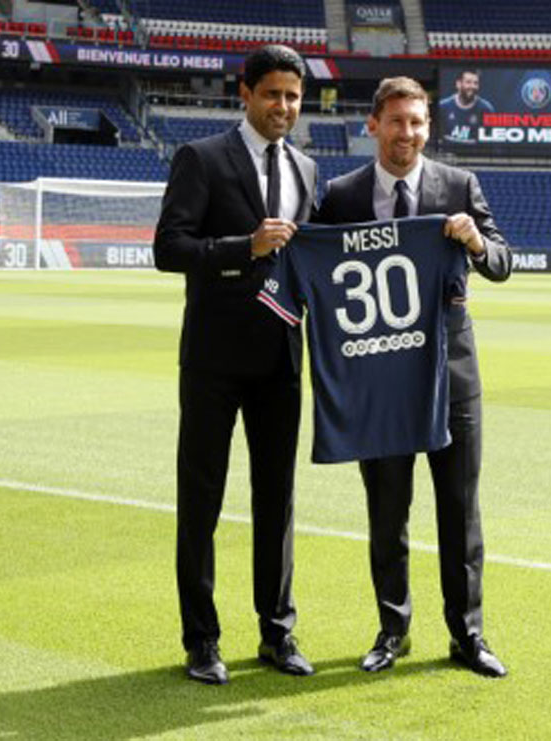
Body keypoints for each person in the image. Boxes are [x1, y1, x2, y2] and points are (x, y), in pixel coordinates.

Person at [316, 76, 511, 678]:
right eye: (397, 121)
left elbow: (503, 262)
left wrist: (476, 241)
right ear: (373, 125)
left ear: (430, 126)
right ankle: (392, 631)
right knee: (387, 511)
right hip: (380, 383)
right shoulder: (342, 195)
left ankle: (468, 635)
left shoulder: (458, 185)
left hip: (452, 378)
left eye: (419, 122)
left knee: (460, 510)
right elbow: (320, 271)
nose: (409, 133)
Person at [152, 44, 318, 685]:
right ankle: (202, 640)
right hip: (214, 362)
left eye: (293, 97)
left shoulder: (305, 166)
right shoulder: (202, 158)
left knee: (277, 501)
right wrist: (242, 248)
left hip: (281, 359)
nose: (283, 107)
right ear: (243, 94)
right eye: (273, 94)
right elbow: (169, 248)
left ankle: (277, 633)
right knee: (202, 502)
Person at [439, 69, 494, 145]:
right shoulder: (443, 106)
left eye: (476, 83)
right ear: (458, 84)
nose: (472, 86)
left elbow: (488, 141)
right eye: (468, 82)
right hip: (447, 155)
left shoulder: (486, 109)